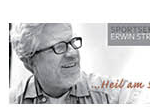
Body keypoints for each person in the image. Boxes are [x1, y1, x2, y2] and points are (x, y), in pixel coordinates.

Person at [9, 23, 139, 104]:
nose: (72, 53)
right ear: (29, 62)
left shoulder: (113, 94)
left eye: (72, 41)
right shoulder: (12, 101)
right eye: (59, 47)